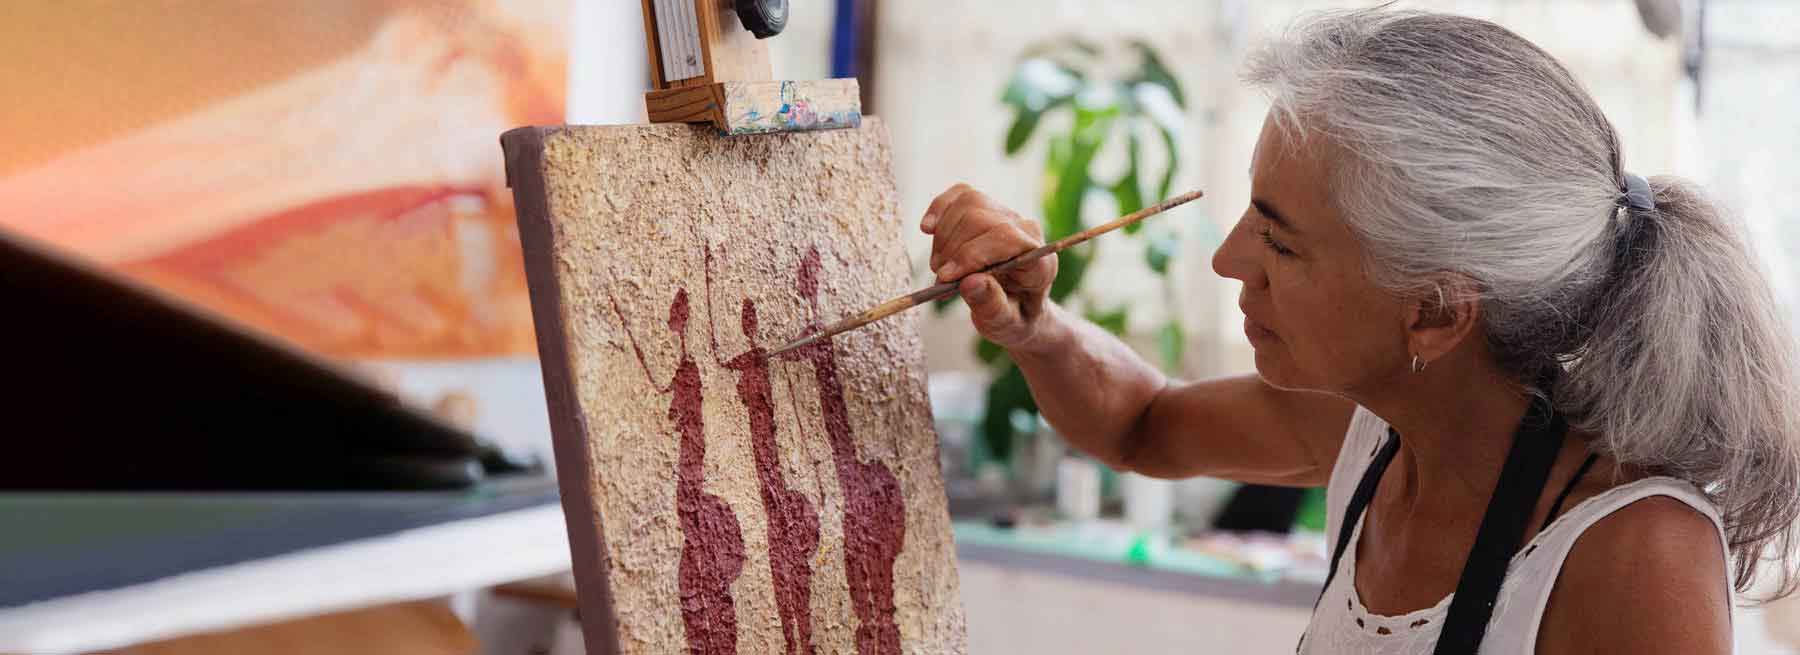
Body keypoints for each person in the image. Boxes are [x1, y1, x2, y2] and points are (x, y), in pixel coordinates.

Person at [923, 8, 1800, 654]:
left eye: (1279, 240)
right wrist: (1038, 328)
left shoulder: (1632, 553)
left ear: (1435, 310)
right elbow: (1141, 422)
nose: (1230, 261)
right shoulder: (1372, 429)